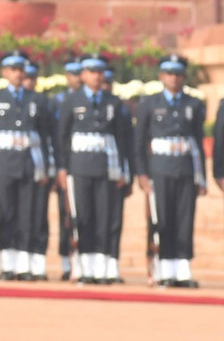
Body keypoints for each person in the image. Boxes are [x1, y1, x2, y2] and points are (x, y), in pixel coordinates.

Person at [56, 56, 132, 284]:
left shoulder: (113, 102)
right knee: (83, 216)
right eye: (91, 71)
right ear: (82, 75)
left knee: (104, 217)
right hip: (79, 167)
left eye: (100, 72)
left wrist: (124, 169)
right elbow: (62, 137)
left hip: (107, 168)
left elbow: (123, 138)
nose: (96, 76)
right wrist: (62, 167)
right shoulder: (71, 100)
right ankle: (84, 267)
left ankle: (103, 267)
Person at [0, 54, 51, 280]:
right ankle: (6, 264)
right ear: (5, 73)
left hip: (29, 163)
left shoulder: (36, 99)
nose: (17, 74)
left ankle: (24, 264)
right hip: (3, 163)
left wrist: (46, 165)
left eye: (20, 69)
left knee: (27, 215)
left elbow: (44, 135)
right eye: (13, 69)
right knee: (6, 213)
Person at [134, 56, 204, 288]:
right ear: (162, 76)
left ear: (184, 77)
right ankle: (163, 268)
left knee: (184, 219)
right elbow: (139, 141)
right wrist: (142, 173)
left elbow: (197, 141)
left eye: (178, 74)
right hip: (159, 169)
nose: (174, 78)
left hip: (185, 168)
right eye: (170, 73)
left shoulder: (193, 104)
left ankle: (182, 269)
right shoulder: (149, 103)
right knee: (161, 219)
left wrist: (201, 176)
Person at [46, 55, 84, 278]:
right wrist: (56, 166)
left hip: (83, 163)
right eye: (73, 74)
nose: (77, 78)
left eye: (80, 74)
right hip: (64, 165)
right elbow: (54, 136)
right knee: (66, 215)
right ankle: (65, 261)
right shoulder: (58, 101)